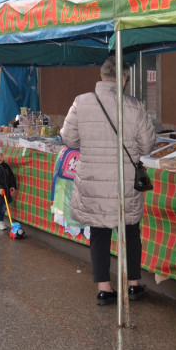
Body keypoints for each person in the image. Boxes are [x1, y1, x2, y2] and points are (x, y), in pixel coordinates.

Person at [60, 57, 156, 306]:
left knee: (100, 234)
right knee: (130, 232)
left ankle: (104, 288)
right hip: (125, 182)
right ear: (124, 78)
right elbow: (147, 144)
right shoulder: (134, 105)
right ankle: (133, 285)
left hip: (92, 181)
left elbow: (68, 139)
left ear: (102, 76)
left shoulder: (81, 102)